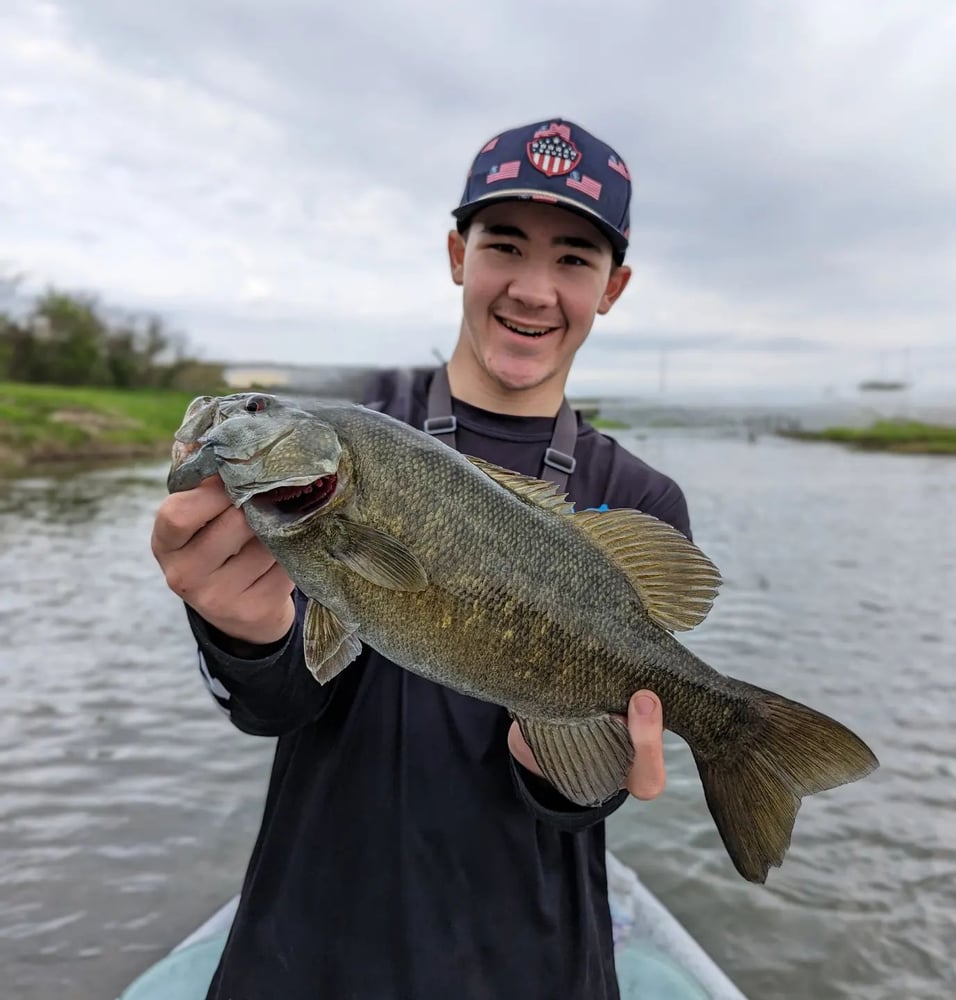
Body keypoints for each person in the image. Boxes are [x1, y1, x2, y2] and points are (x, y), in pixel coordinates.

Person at [151, 118, 694, 1000]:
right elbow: (276, 702)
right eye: (504, 244)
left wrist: (565, 775)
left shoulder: (639, 501)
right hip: (309, 947)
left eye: (573, 260)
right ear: (456, 253)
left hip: (530, 960)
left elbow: (591, 791)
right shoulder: (343, 429)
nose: (531, 288)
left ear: (614, 287)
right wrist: (239, 640)